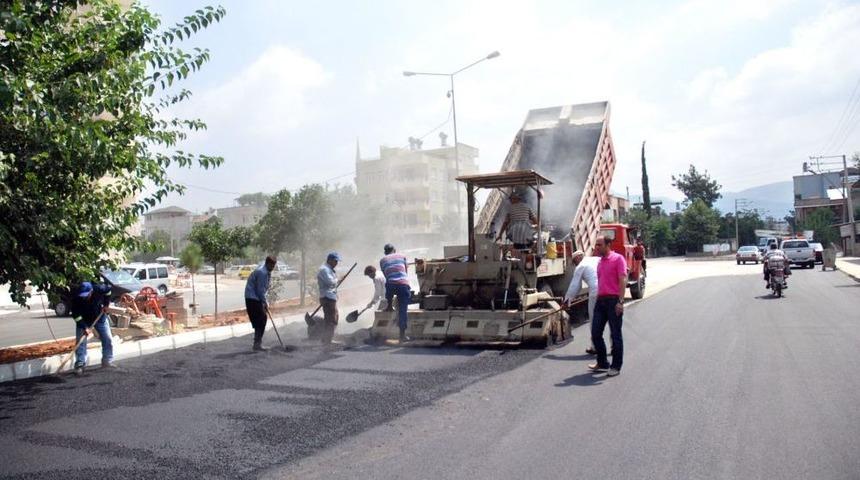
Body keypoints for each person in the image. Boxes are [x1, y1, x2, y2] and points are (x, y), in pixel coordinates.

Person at [589, 235, 627, 377]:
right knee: (595, 333)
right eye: (596, 245)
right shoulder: (600, 262)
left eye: (599, 245)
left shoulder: (618, 259)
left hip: (613, 301)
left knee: (615, 334)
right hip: (601, 301)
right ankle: (603, 362)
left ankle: (616, 366)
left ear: (608, 245)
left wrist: (620, 301)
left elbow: (622, 280)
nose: (596, 247)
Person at [70, 281, 114, 375]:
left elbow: (108, 291)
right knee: (81, 342)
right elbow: (76, 315)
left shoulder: (99, 288)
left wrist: (106, 304)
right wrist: (84, 327)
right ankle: (80, 364)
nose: (84, 297)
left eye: (86, 295)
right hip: (84, 319)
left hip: (99, 316)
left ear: (91, 291)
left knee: (107, 338)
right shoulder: (76, 297)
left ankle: (107, 361)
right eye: (83, 295)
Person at [562, 250, 598, 354]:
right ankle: (614, 347)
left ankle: (595, 347)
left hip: (595, 293)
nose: (575, 264)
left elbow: (575, 286)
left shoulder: (580, 266)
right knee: (611, 320)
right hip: (609, 291)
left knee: (594, 320)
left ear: (578, 258)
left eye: (574, 262)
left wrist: (566, 301)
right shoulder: (596, 259)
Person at [380, 243, 411, 342]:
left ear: (385, 252)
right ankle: (402, 336)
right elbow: (405, 272)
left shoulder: (382, 260)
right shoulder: (402, 256)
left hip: (391, 284)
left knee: (388, 290)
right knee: (403, 310)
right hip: (403, 284)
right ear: (395, 250)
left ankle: (389, 305)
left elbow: (386, 275)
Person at [245, 256, 276, 351]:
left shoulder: (264, 270)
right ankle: (257, 344)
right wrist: (265, 302)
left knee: (260, 320)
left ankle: (257, 343)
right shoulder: (262, 273)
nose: (273, 267)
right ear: (268, 264)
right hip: (253, 298)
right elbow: (260, 290)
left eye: (274, 265)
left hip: (253, 297)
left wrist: (263, 301)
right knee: (262, 318)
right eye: (272, 265)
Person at [317, 251, 341, 345]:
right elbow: (330, 282)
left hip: (330, 296)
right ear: (330, 260)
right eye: (335, 261)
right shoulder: (324, 269)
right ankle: (328, 340)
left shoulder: (328, 269)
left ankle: (327, 338)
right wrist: (338, 280)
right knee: (332, 318)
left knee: (332, 318)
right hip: (327, 297)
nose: (336, 263)